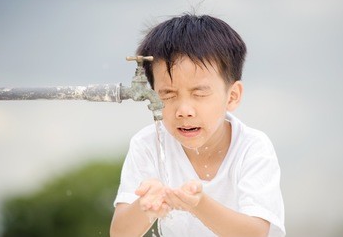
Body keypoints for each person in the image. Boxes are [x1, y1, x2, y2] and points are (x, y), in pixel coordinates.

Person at [110, 13, 285, 237]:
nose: (184, 110)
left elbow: (255, 232)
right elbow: (120, 233)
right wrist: (146, 205)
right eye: (169, 94)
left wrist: (198, 205)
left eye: (199, 93)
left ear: (232, 96)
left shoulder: (252, 147)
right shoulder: (148, 144)